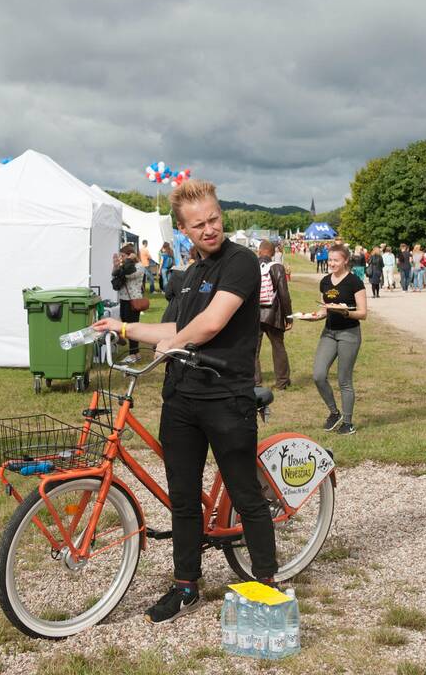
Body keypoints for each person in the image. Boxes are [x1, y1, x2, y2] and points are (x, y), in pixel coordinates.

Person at [92, 180, 277, 624]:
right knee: (182, 498)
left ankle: (265, 583)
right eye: (199, 225)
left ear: (220, 216)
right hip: (181, 397)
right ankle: (185, 585)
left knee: (245, 492)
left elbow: (211, 324)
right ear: (183, 230)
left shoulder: (242, 262)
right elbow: (170, 328)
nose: (209, 229)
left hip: (225, 394)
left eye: (213, 219)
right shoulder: (189, 274)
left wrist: (173, 340)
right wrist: (121, 329)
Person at [311, 244, 367, 434]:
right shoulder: (325, 281)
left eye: (336, 260)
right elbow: (324, 308)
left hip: (349, 334)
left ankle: (348, 422)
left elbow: (363, 313)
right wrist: (314, 316)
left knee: (344, 379)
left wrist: (345, 312)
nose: (331, 263)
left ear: (345, 261)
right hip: (329, 332)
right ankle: (334, 413)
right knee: (318, 375)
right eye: (330, 259)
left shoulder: (355, 282)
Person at [255, 240, 293, 390]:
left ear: (259, 251)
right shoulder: (277, 267)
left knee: (254, 349)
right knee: (278, 347)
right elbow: (284, 294)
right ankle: (282, 381)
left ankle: (255, 382)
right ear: (273, 253)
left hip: (254, 315)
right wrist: (288, 316)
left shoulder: (250, 266)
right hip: (274, 314)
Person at [113, 243, 145, 362]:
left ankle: (133, 354)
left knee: (132, 327)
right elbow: (115, 275)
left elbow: (128, 274)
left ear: (129, 255)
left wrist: (129, 260)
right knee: (126, 326)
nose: (121, 258)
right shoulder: (126, 265)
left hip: (133, 300)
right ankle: (135, 353)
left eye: (123, 255)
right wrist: (115, 266)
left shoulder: (139, 266)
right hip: (124, 299)